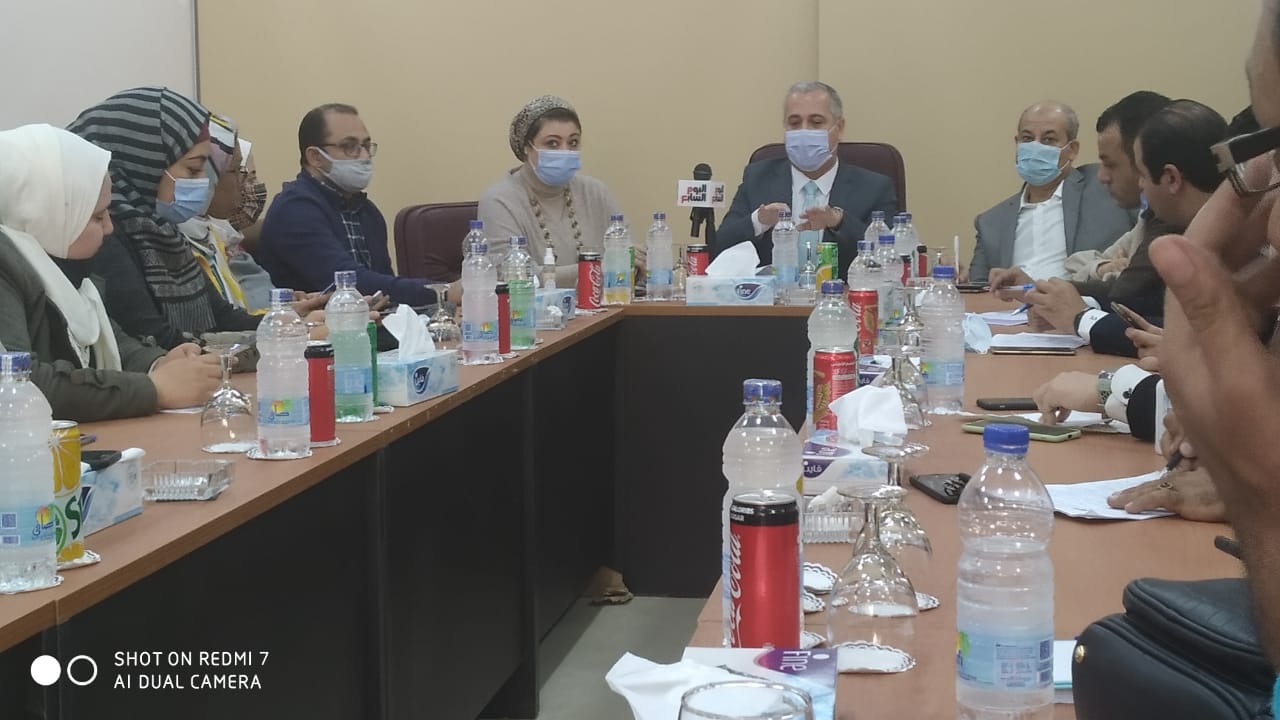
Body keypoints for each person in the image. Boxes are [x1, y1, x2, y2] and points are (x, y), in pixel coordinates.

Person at [0, 124, 222, 421]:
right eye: (97, 216)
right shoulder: (6, 267)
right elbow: (20, 382)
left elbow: (114, 341)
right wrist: (154, 389)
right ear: (45, 215)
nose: (109, 228)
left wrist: (161, 364)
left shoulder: (68, 275)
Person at [1020, 100, 1228, 357]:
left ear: (1171, 178)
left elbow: (1185, 334)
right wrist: (1070, 305)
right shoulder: (1193, 221)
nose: (1140, 185)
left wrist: (1081, 318)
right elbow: (1149, 305)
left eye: (1142, 173)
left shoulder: (1226, 236)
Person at [67, 87, 264, 349]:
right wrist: (268, 341)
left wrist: (293, 326)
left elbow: (223, 317)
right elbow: (155, 339)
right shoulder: (102, 233)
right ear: (146, 161)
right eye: (193, 169)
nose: (203, 182)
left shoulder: (162, 228)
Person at [257, 103, 446, 306]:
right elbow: (349, 285)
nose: (364, 156)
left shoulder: (367, 211)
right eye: (349, 146)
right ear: (315, 157)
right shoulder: (294, 210)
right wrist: (441, 291)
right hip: (313, 324)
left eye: (366, 145)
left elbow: (384, 293)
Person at [714, 81, 898, 281]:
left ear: (839, 127)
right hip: (773, 298)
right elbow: (718, 248)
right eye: (794, 123)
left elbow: (889, 259)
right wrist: (758, 221)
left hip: (844, 298)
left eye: (816, 122)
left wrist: (839, 222)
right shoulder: (758, 178)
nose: (804, 131)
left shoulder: (874, 188)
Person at [969, 100, 1134, 283]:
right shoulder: (990, 223)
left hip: (1088, 298)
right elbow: (977, 288)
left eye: (1048, 140)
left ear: (1072, 149)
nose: (1035, 147)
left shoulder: (1105, 184)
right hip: (1012, 302)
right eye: (1027, 139)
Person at [478, 95, 628, 288]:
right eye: (553, 144)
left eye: (573, 143)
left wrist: (637, 260)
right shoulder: (499, 200)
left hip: (604, 304)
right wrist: (599, 268)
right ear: (526, 147)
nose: (565, 152)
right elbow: (515, 276)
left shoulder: (595, 192)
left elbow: (625, 253)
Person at [1062, 91, 1173, 283]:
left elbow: (1129, 289)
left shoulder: (1172, 224)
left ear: (1143, 159)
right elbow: (1073, 264)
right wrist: (1102, 268)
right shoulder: (1147, 216)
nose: (1101, 176)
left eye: (1110, 164)